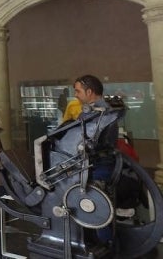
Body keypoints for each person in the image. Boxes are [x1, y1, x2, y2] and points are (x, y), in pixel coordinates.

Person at [73, 74, 119, 245]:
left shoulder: (95, 113)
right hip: (105, 163)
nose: (76, 95)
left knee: (96, 205)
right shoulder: (107, 109)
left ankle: (103, 243)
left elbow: (81, 141)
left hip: (96, 167)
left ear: (89, 91)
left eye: (78, 91)